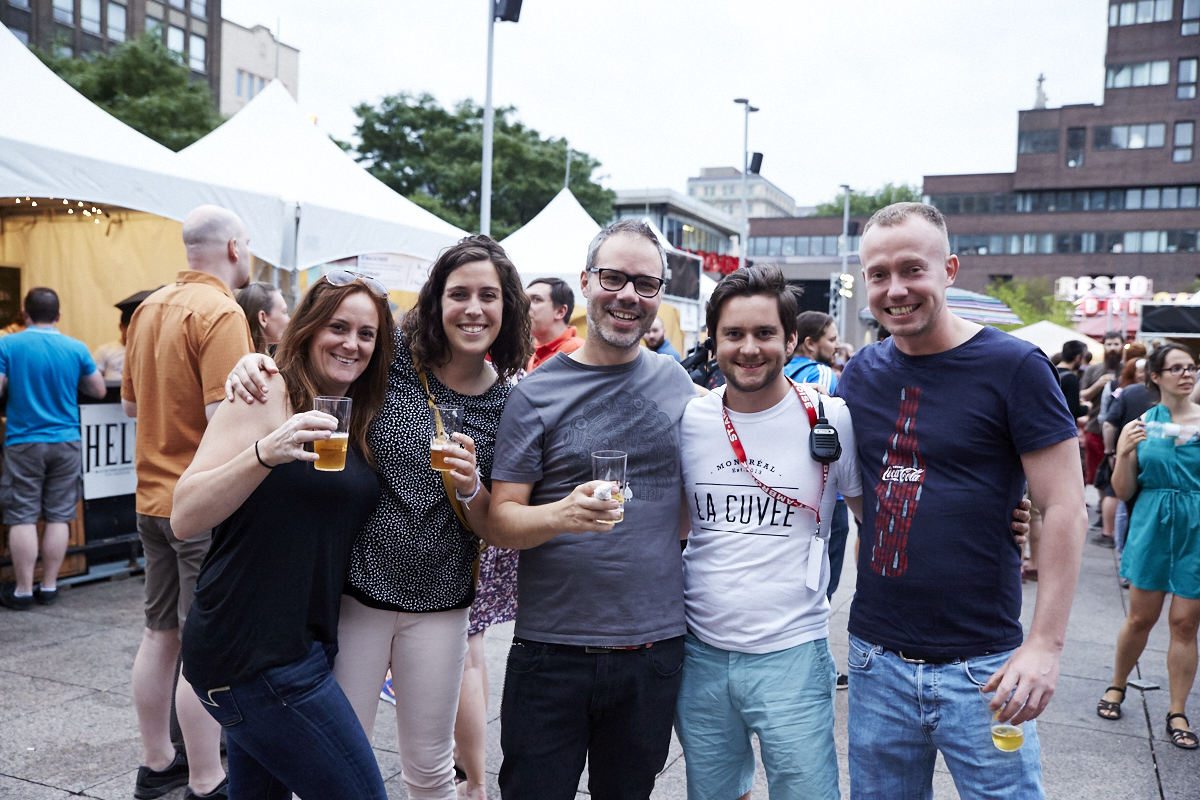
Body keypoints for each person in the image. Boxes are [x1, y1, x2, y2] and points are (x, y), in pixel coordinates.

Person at [227, 237, 533, 800]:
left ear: (507, 307)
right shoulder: (391, 367)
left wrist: (471, 488)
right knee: (337, 763)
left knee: (431, 770)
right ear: (435, 302)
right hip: (354, 598)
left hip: (442, 606)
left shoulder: (512, 402)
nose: (473, 308)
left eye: (488, 295)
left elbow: (495, 524)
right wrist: (253, 359)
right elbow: (314, 355)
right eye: (458, 293)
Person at [838, 202, 1087, 798]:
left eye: (912, 269)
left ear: (949, 269)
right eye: (878, 274)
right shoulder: (861, 373)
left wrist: (1046, 646)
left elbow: (1065, 507)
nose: (895, 289)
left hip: (986, 666)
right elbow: (857, 489)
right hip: (875, 660)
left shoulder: (1015, 366)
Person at [488, 219, 695, 798]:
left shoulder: (678, 385)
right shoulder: (535, 392)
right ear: (586, 282)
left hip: (653, 650)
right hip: (551, 652)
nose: (629, 295)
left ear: (659, 295)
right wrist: (562, 514)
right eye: (614, 277)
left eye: (646, 284)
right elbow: (502, 520)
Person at [173, 274, 395, 799]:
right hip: (252, 652)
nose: (352, 343)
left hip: (302, 645)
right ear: (308, 328)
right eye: (338, 327)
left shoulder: (358, 413)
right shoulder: (268, 390)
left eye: (366, 334)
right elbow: (184, 514)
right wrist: (264, 454)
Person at [676, 264, 862, 800]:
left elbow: (876, 517)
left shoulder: (832, 418)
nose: (749, 348)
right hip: (701, 652)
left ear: (792, 339)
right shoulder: (691, 419)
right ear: (714, 341)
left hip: (794, 655)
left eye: (764, 333)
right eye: (734, 334)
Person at [121, 205, 255, 800]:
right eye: (247, 246)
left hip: (151, 496)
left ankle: (158, 765)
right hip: (199, 502)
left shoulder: (149, 305)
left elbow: (129, 405)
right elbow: (222, 417)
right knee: (204, 641)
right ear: (232, 246)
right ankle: (207, 778)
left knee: (159, 635)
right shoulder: (221, 310)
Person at [1097, 344, 1200, 750]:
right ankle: (1117, 684)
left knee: (1186, 623)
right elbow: (1124, 491)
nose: (1186, 374)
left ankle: (1178, 710)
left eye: (1191, 367)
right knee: (1141, 618)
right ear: (1155, 376)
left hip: (1196, 525)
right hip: (1152, 522)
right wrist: (1123, 452)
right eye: (1176, 368)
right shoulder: (1142, 424)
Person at [0, 288, 105, 610]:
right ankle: (48, 587)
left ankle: (21, 591)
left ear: (24, 313)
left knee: (23, 517)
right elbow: (98, 390)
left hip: (23, 442)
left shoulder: (7, 343)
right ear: (58, 316)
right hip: (66, 441)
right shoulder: (76, 347)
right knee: (60, 516)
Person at [526, 277, 583, 371]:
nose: (525, 305)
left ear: (560, 311)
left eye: (536, 299)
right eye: (524, 300)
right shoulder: (535, 357)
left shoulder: (576, 351)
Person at [783, 310, 839, 394]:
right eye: (832, 340)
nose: (838, 346)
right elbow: (820, 407)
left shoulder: (779, 375)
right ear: (810, 344)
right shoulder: (821, 373)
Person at [236, 282, 290, 354]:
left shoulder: (239, 353)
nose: (289, 320)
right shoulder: (249, 361)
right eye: (284, 312)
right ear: (263, 318)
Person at [93, 305, 134, 383]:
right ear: (121, 327)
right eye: (131, 328)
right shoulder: (104, 351)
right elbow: (95, 381)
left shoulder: (146, 353)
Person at [1057, 339, 1089, 422]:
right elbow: (1073, 410)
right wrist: (1086, 407)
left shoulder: (1050, 371)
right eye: (1083, 358)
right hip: (1064, 428)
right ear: (1077, 357)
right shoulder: (1071, 378)